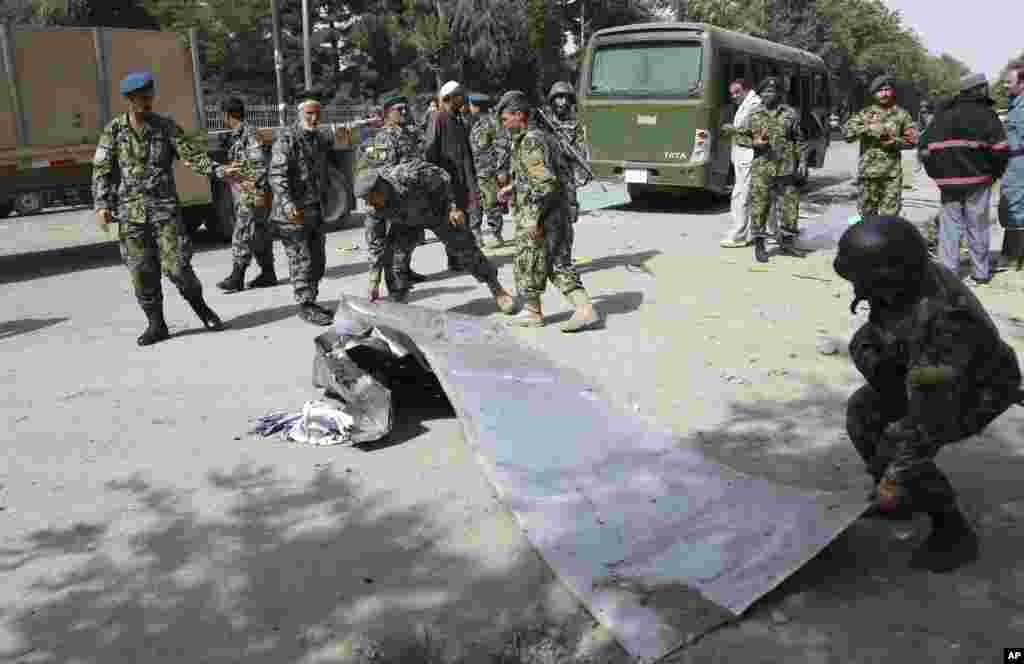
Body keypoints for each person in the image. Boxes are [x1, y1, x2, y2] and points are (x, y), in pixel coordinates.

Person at [834, 215, 1022, 572]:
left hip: (978, 388)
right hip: (926, 370)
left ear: (889, 275)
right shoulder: (907, 277)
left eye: (863, 280)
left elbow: (925, 425)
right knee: (863, 412)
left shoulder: (944, 322)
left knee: (896, 443)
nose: (857, 287)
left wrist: (894, 477)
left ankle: (953, 532)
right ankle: (901, 499)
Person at [93, 71, 229, 346]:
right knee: (142, 271)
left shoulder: (166, 127)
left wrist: (219, 171)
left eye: (150, 96)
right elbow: (102, 169)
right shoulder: (114, 131)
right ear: (129, 99)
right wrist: (102, 204)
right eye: (142, 97)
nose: (148, 101)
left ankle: (202, 310)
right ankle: (157, 325)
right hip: (131, 216)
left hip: (164, 212)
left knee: (178, 267)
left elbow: (192, 156)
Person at [495, 90, 601, 332]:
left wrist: (533, 219)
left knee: (532, 263)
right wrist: (514, 187)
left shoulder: (531, 141)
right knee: (552, 264)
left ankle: (557, 312)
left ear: (519, 115)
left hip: (543, 216)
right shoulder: (545, 137)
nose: (503, 124)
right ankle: (573, 310)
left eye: (505, 118)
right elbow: (547, 176)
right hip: (558, 212)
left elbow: (545, 183)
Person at [352, 161, 517, 314]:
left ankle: (497, 289)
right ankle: (399, 304)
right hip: (405, 222)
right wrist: (374, 280)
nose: (369, 204)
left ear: (380, 188)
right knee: (394, 258)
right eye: (365, 200)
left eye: (370, 198)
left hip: (437, 210)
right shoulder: (374, 209)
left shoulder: (407, 175)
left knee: (465, 249)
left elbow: (443, 177)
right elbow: (376, 243)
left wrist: (453, 207)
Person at [921, 73, 1009, 285]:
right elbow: (1000, 149)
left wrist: (938, 176)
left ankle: (948, 274)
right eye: (985, 86)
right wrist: (994, 174)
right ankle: (980, 273)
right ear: (979, 89)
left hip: (948, 183)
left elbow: (924, 149)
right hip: (978, 181)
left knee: (949, 228)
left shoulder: (943, 114)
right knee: (977, 226)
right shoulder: (987, 115)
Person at [267, 89, 337, 326]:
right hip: (292, 213)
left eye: (317, 113)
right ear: (299, 114)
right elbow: (277, 174)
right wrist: (287, 203)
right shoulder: (287, 138)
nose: (314, 118)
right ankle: (305, 304)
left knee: (318, 260)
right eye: (309, 113)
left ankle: (312, 300)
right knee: (302, 259)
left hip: (314, 209)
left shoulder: (318, 139)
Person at [731, 77, 806, 263]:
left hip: (786, 168)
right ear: (760, 94)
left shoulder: (790, 113)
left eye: (772, 91)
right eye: (764, 91)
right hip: (762, 167)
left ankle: (787, 243)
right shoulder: (754, 114)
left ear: (779, 93)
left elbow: (799, 139)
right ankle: (759, 245)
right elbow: (740, 137)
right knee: (760, 207)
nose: (768, 94)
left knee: (789, 206)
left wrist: (803, 162)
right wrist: (753, 142)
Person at [362, 94, 429, 300]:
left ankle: (399, 287)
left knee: (404, 247)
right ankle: (387, 289)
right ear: (387, 113)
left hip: (407, 202)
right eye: (398, 109)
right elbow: (374, 171)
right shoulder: (380, 138)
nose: (404, 112)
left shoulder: (409, 133)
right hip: (388, 203)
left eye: (405, 108)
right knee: (386, 250)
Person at [215, 97, 277, 293]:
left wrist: (257, 191)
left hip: (252, 192)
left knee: (242, 233)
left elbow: (259, 163)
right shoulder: (241, 134)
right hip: (252, 190)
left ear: (226, 115)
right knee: (259, 233)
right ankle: (268, 273)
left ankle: (237, 277)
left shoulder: (248, 134)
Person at [844, 75, 917, 218]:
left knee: (889, 218)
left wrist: (893, 141)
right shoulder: (864, 114)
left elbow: (913, 140)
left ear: (892, 92)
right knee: (865, 216)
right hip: (868, 174)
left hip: (891, 176)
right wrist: (869, 129)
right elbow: (847, 135)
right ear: (874, 93)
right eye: (880, 90)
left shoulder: (902, 115)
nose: (884, 93)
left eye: (887, 89)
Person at [424, 81, 478, 271]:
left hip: (462, 179)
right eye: (459, 95)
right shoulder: (438, 118)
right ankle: (455, 259)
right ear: (450, 98)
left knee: (463, 219)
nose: (463, 98)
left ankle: (459, 258)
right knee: (452, 220)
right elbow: (431, 152)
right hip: (448, 180)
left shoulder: (457, 119)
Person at [720, 78, 763, 248]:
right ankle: (750, 233)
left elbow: (758, 131)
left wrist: (733, 129)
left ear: (747, 89)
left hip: (748, 154)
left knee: (741, 196)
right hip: (742, 154)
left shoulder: (754, 104)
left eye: (737, 92)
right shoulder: (746, 104)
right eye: (732, 93)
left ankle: (739, 235)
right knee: (745, 195)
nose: (734, 96)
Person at [468, 93, 511, 248]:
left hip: (490, 171)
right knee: (476, 203)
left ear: (477, 107)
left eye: (471, 105)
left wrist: (501, 170)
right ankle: (477, 234)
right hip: (477, 171)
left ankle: (496, 234)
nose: (469, 108)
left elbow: (503, 147)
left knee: (492, 203)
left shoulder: (494, 122)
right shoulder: (476, 123)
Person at [545, 81, 585, 230]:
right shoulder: (543, 122)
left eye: (565, 98)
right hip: (545, 178)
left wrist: (565, 147)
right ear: (552, 100)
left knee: (567, 224)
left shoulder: (575, 126)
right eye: (558, 97)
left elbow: (580, 154)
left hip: (566, 180)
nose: (561, 102)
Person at [999, 62, 1024, 268]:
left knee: (1015, 209)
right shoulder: (1015, 103)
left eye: (1009, 82)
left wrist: (1002, 145)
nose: (1005, 86)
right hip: (1013, 165)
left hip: (1018, 166)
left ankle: (1013, 257)